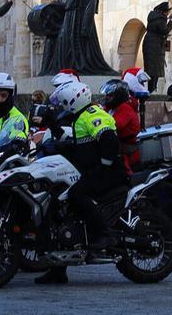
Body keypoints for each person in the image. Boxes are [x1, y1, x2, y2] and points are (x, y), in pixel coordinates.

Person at [36, 82, 124, 284]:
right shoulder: (79, 118)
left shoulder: (93, 114)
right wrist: (53, 126)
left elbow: (109, 139)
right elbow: (73, 141)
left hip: (108, 172)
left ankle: (105, 233)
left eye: (65, 103)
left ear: (73, 100)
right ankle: (58, 269)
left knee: (76, 195)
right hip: (90, 170)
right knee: (60, 204)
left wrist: (102, 167)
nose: (63, 107)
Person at [102, 78, 141, 171]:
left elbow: (115, 125)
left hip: (128, 153)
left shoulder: (125, 108)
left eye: (110, 95)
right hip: (118, 147)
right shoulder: (111, 108)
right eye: (106, 95)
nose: (107, 97)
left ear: (118, 96)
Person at [142, 2, 172, 93]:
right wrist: (171, 21)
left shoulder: (154, 17)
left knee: (151, 70)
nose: (168, 14)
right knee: (155, 70)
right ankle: (152, 89)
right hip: (155, 46)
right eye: (168, 12)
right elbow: (164, 30)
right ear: (164, 11)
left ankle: (151, 88)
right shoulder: (160, 19)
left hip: (150, 44)